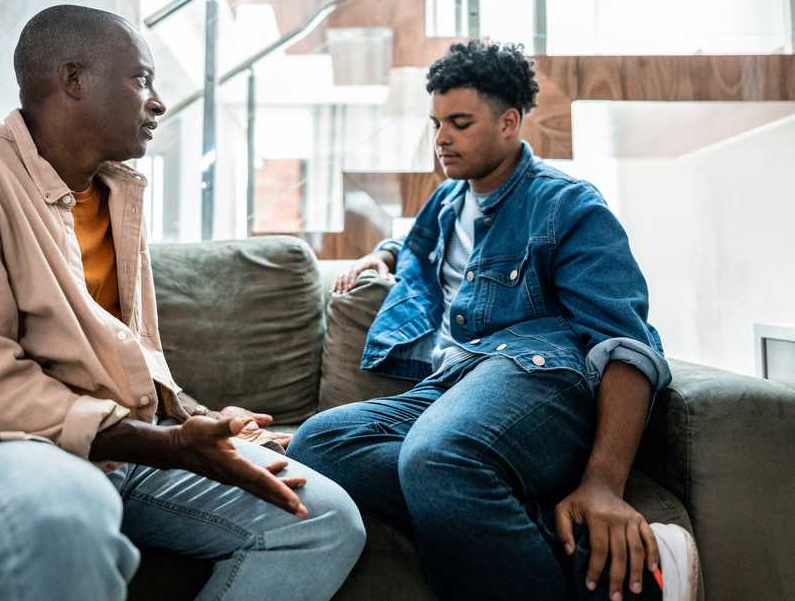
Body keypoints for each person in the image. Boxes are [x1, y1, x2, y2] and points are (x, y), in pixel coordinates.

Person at [0, 4, 365, 601]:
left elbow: (131, 361)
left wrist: (199, 425)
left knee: (322, 518)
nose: (157, 101)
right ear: (74, 80)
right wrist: (165, 446)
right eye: (141, 79)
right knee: (65, 514)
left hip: (119, 454)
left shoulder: (115, 193)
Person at [287, 40, 699, 601]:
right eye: (435, 123)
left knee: (437, 454)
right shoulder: (449, 199)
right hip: (453, 384)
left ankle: (470, 480)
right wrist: (383, 255)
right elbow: (418, 242)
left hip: (538, 375)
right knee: (319, 443)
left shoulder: (567, 206)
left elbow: (624, 344)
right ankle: (517, 517)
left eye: (459, 123)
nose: (440, 139)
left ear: (509, 123)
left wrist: (603, 483)